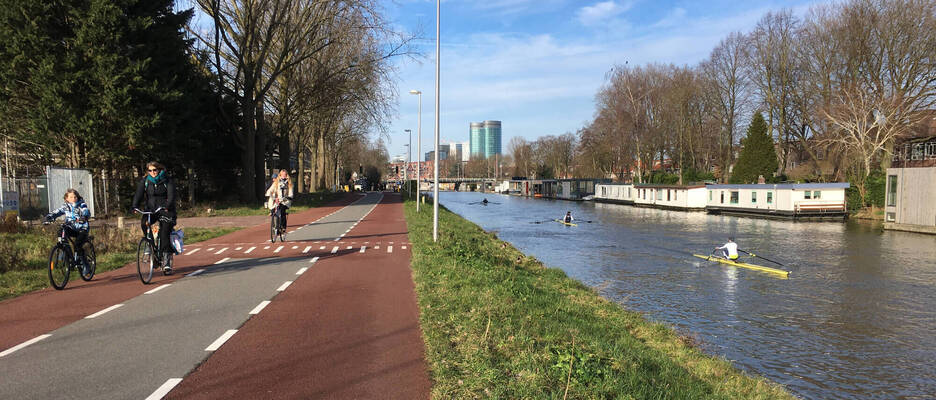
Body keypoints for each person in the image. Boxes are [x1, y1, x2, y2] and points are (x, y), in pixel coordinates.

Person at [131, 161, 177, 274]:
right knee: (144, 223)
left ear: (159, 170)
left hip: (166, 210)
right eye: (150, 170)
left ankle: (166, 261)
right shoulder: (146, 181)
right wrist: (134, 206)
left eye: (154, 170)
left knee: (164, 233)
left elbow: (171, 195)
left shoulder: (167, 180)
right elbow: (138, 194)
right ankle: (150, 246)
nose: (153, 173)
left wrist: (167, 206)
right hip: (151, 210)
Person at [46, 189, 92, 275]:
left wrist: (84, 217)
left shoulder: (81, 204)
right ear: (66, 198)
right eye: (71, 197)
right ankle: (67, 253)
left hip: (82, 229)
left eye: (75, 197)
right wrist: (49, 217)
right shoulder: (65, 206)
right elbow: (58, 211)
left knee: (78, 245)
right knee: (61, 230)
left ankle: (86, 265)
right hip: (71, 227)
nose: (74, 198)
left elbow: (86, 211)